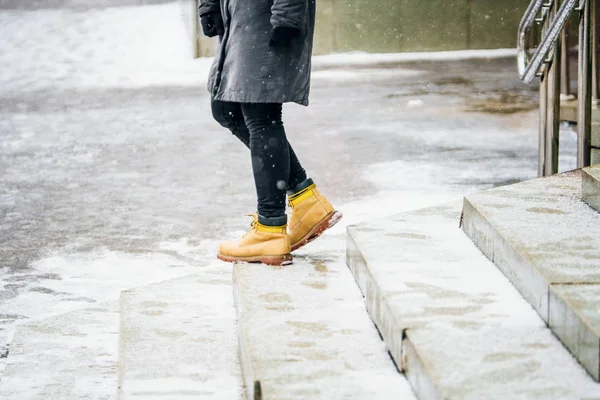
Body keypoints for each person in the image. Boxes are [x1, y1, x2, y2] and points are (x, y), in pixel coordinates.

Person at [198, 0, 342, 266]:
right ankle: (304, 199)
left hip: (265, 14)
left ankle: (270, 228)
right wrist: (209, 5)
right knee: (226, 110)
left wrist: (287, 14)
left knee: (261, 114)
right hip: (237, 13)